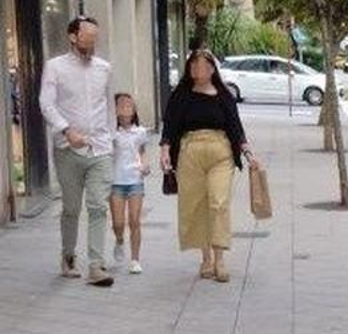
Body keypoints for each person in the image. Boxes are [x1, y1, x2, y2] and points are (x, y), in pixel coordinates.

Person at [159, 50, 259, 283]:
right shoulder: (181, 95)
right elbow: (170, 127)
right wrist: (165, 151)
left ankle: (220, 257)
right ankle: (205, 258)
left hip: (220, 152)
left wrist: (247, 153)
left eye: (203, 66)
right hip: (190, 153)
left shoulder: (223, 95)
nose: (198, 71)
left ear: (213, 69)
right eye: (193, 66)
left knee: (218, 202)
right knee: (195, 205)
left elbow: (236, 126)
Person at [40, 16, 116, 287]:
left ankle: (96, 265)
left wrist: (111, 140)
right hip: (67, 149)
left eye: (95, 38)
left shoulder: (104, 69)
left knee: (98, 206)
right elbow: (46, 104)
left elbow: (108, 107)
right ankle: (68, 257)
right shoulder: (55, 67)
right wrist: (66, 130)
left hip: (99, 149)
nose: (92, 42)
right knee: (71, 207)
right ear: (73, 37)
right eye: (87, 37)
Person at [109, 93, 150, 274]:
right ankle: (119, 240)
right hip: (115, 181)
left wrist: (145, 165)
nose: (126, 108)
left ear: (134, 111)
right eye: (122, 105)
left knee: (134, 220)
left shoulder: (140, 132)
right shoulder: (111, 132)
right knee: (118, 223)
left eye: (129, 106)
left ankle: (135, 260)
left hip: (135, 180)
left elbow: (142, 151)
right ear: (115, 110)